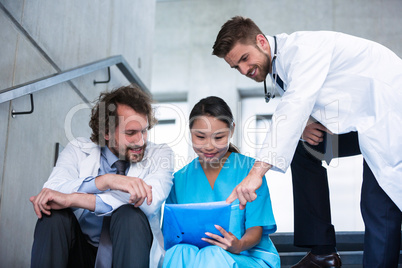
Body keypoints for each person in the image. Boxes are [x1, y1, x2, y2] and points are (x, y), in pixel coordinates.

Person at [212, 16, 402, 267]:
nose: (245, 70)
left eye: (245, 59)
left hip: (390, 119)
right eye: (236, 67)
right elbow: (312, 99)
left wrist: (257, 172)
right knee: (305, 148)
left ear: (261, 41)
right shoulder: (279, 67)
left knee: (377, 205)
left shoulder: (302, 50)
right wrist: (307, 123)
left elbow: (295, 104)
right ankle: (323, 252)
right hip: (365, 123)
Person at [29, 84, 174, 268]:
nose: (141, 141)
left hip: (129, 253)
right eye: (130, 133)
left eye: (144, 130)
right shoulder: (78, 149)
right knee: (53, 216)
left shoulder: (160, 154)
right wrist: (106, 181)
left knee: (130, 215)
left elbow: (148, 201)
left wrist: (73, 199)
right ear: (106, 132)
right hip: (81, 254)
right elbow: (52, 191)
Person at [162, 96, 280, 268]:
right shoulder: (179, 179)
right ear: (190, 132)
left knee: (213, 254)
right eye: (200, 137)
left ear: (231, 130)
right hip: (196, 257)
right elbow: (172, 235)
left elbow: (256, 229)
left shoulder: (250, 171)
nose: (209, 146)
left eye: (219, 137)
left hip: (246, 256)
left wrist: (238, 245)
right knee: (178, 252)